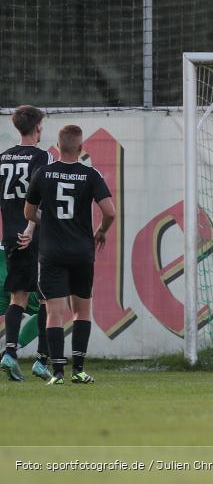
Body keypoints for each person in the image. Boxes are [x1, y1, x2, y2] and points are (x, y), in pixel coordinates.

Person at [24, 125, 116, 385]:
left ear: (57, 146)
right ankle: (80, 370)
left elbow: (29, 213)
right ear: (81, 148)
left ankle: (58, 373)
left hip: (51, 252)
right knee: (82, 311)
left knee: (54, 313)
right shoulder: (90, 174)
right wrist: (101, 231)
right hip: (81, 252)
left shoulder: (43, 173)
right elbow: (110, 212)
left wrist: (48, 220)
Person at [0, 105, 53, 381]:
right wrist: (31, 227)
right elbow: (39, 195)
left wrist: (12, 229)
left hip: (11, 235)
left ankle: (9, 354)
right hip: (35, 235)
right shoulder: (42, 156)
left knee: (17, 297)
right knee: (47, 298)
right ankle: (42, 360)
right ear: (37, 128)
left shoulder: (3, 158)